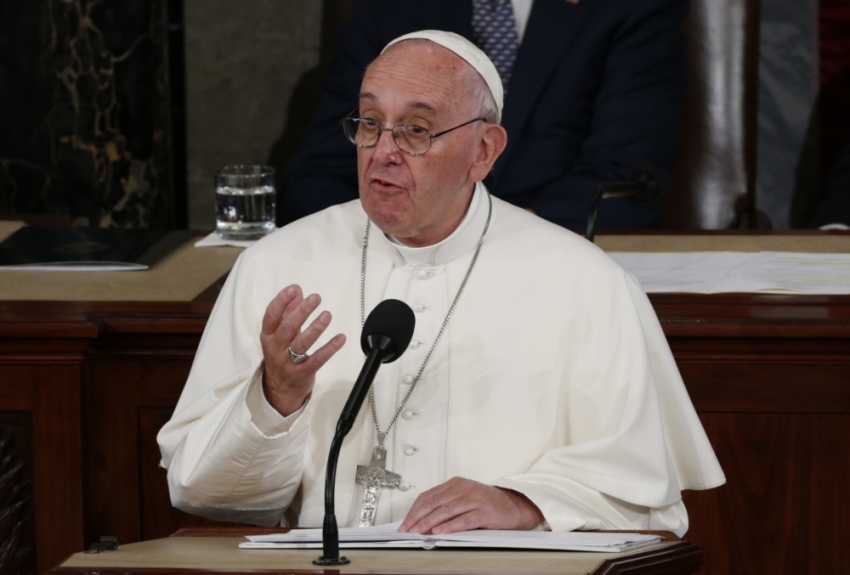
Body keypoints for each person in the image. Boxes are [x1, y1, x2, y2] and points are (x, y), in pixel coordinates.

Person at [158, 31, 723, 536]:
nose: (383, 151)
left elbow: (648, 497)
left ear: (483, 151)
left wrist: (523, 502)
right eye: (370, 123)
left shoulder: (587, 285)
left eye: (417, 131)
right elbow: (202, 492)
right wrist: (274, 399)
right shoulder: (279, 266)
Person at [276, 0, 688, 231]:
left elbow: (624, 174)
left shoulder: (631, 9)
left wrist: (480, 238)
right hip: (396, 255)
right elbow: (320, 167)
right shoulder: (391, 8)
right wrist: (385, 235)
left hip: (544, 254)